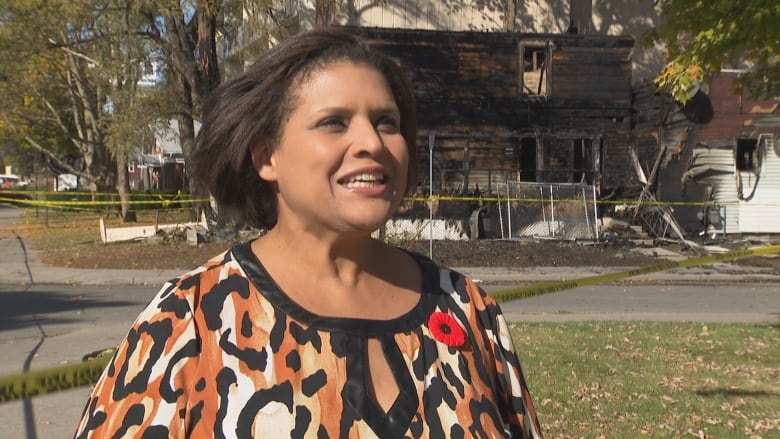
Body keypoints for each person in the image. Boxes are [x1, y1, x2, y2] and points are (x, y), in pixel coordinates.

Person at [73, 28, 542, 438]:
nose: (372, 143)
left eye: (387, 122)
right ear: (266, 156)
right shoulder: (188, 319)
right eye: (333, 122)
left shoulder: (468, 309)